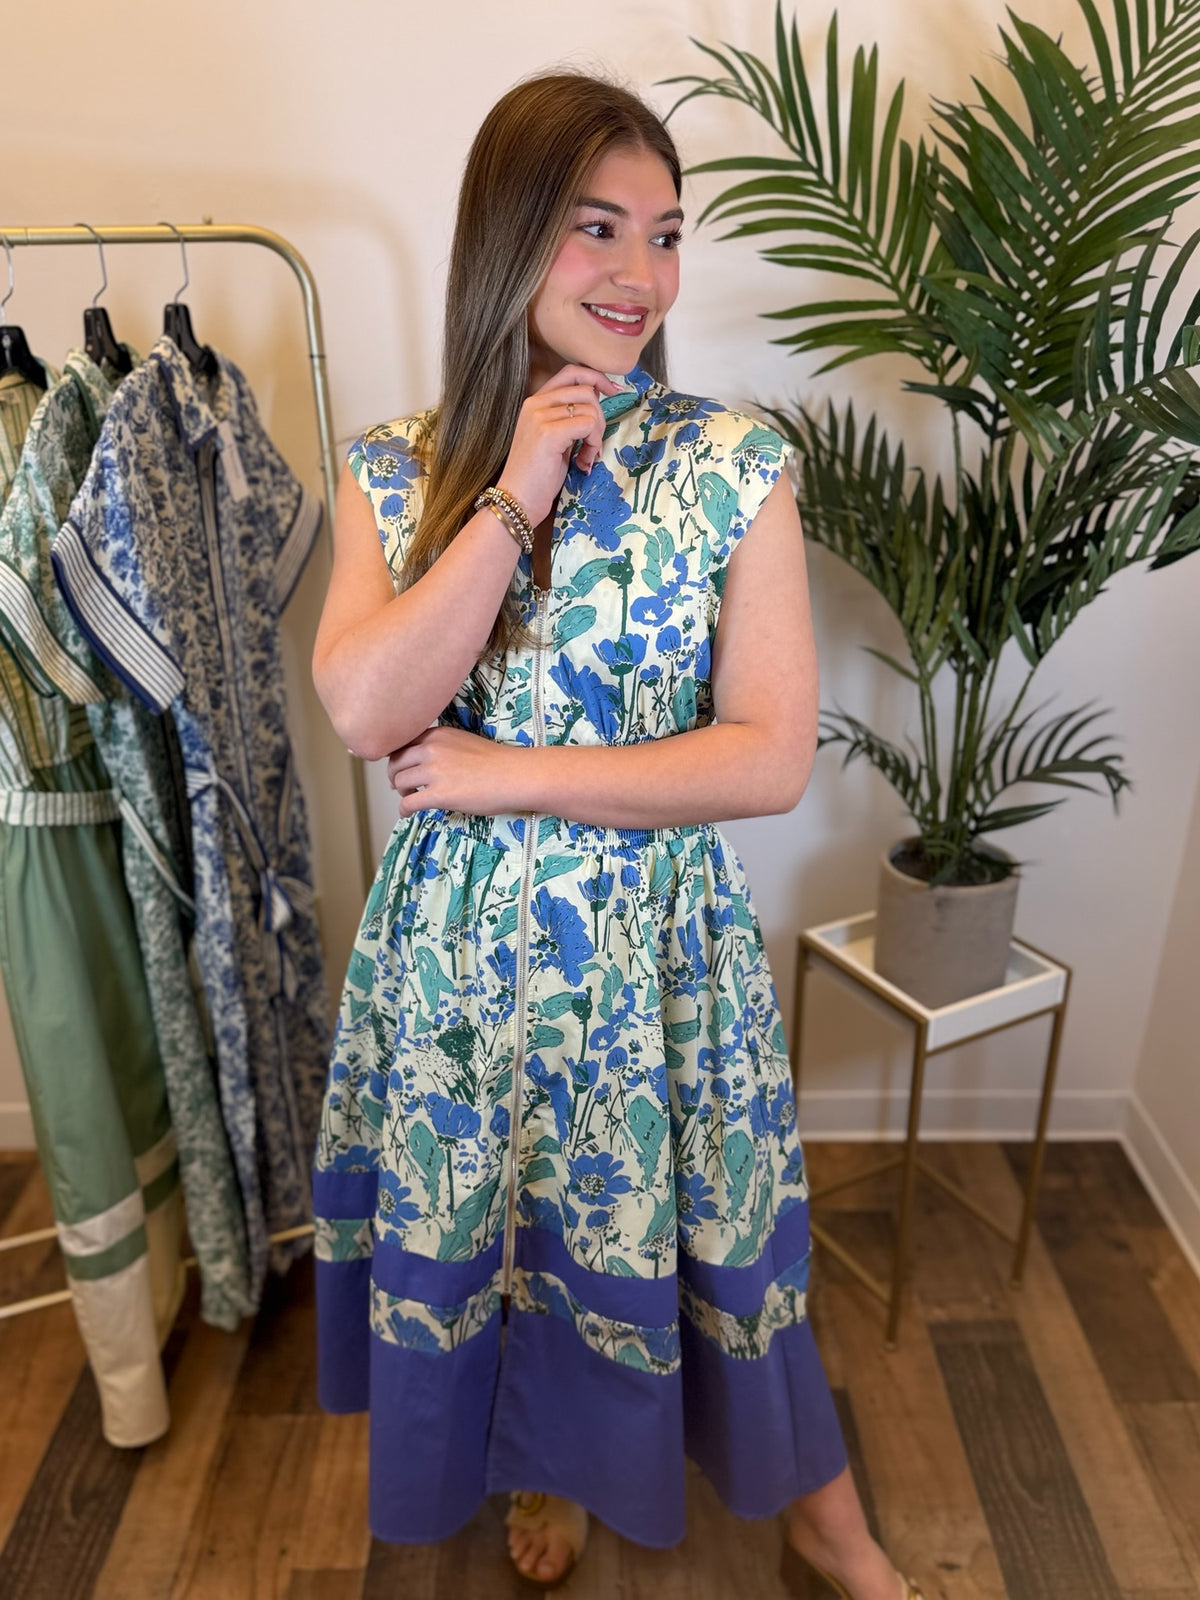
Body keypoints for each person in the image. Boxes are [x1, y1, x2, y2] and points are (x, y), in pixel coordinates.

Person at [310, 70, 925, 1600]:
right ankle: (555, 1476)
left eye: (663, 233)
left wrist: (502, 774)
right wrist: (512, 494)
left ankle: (821, 1516)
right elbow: (363, 704)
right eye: (596, 229)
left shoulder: (733, 464)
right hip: (456, 973)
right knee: (506, 1232)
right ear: (510, 239)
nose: (640, 276)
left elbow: (769, 756)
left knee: (714, 1236)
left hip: (656, 956)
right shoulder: (395, 469)